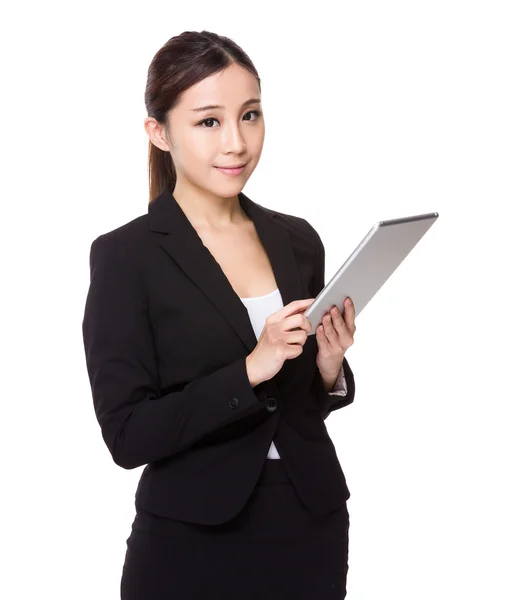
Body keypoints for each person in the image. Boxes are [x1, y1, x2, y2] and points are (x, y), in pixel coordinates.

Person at [82, 30, 357, 600]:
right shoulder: (127, 256)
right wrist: (249, 369)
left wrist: (327, 369)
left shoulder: (297, 240)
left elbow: (293, 409)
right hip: (192, 538)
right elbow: (127, 436)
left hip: (310, 524)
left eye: (250, 115)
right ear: (159, 132)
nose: (236, 141)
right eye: (209, 121)